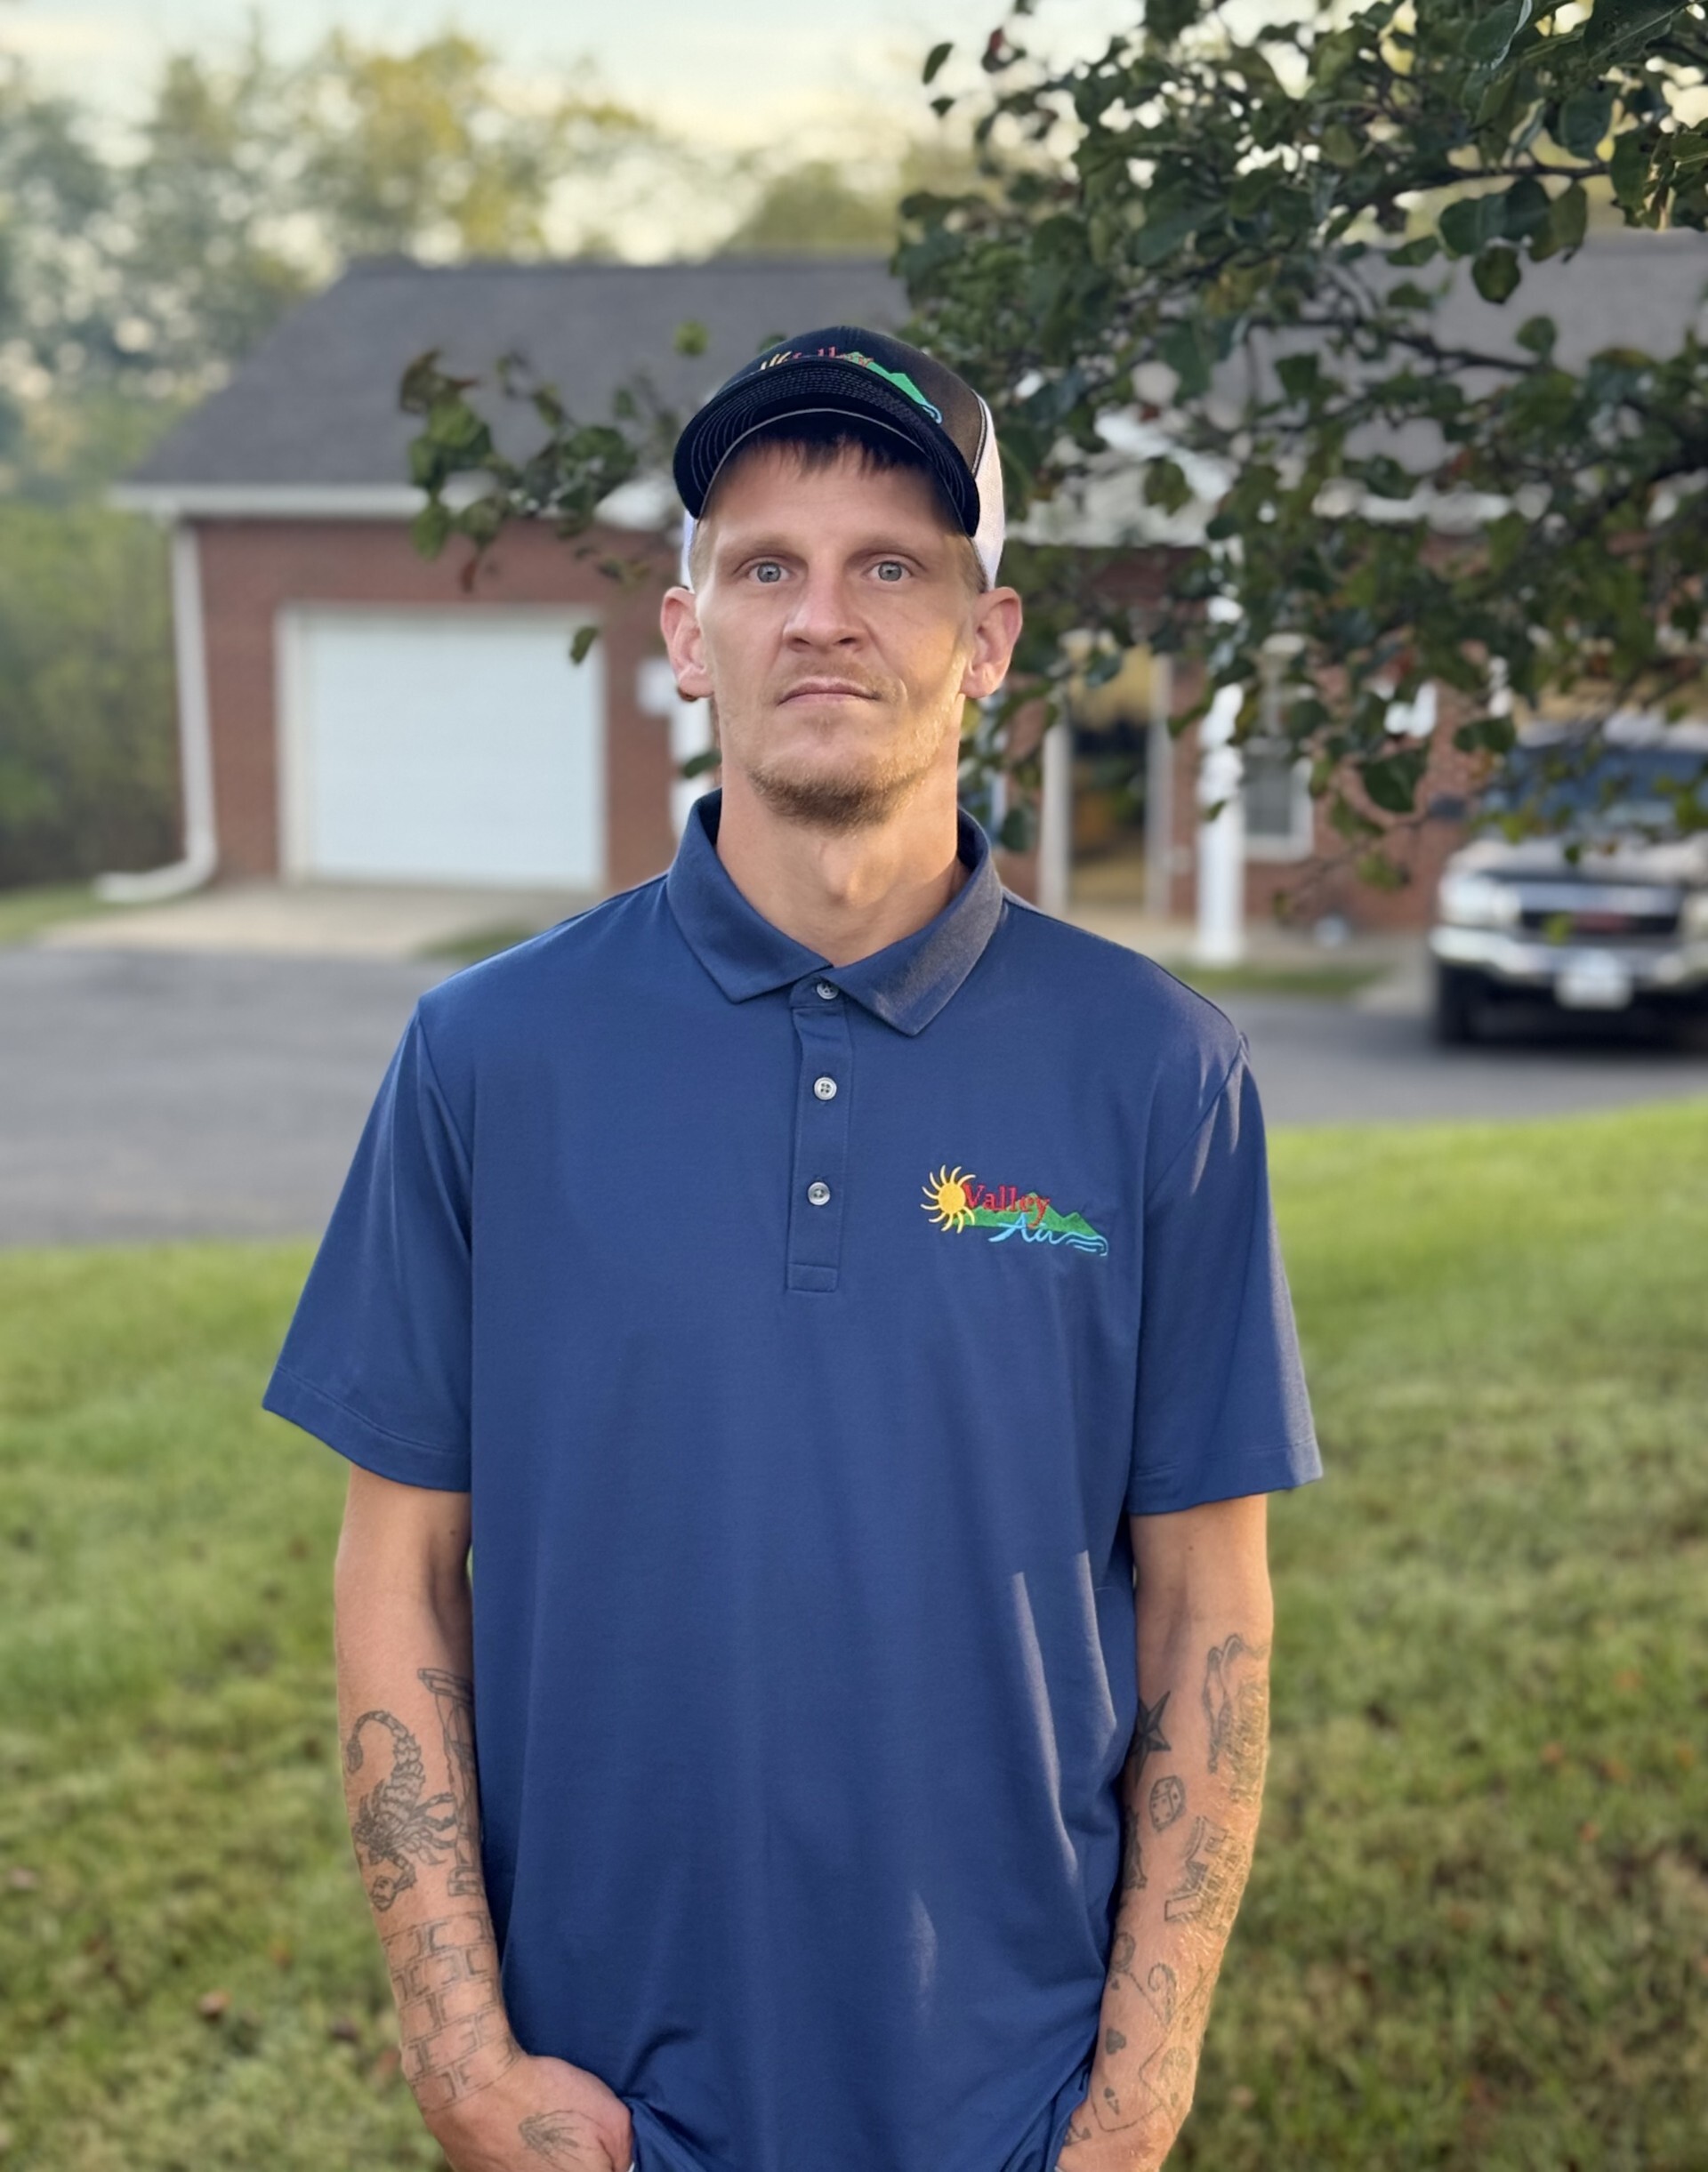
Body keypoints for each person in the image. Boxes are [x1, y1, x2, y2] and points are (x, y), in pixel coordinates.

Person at [262, 325, 1322, 2172]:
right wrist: (462, 2058)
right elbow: (401, 1569)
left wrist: (1136, 2102)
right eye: (766, 569)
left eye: (891, 567)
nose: (823, 619)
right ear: (690, 637)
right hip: (606, 2107)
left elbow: (1205, 1606)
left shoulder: (1160, 1071)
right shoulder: (489, 1056)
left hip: (1009, 2105)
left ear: (987, 641)